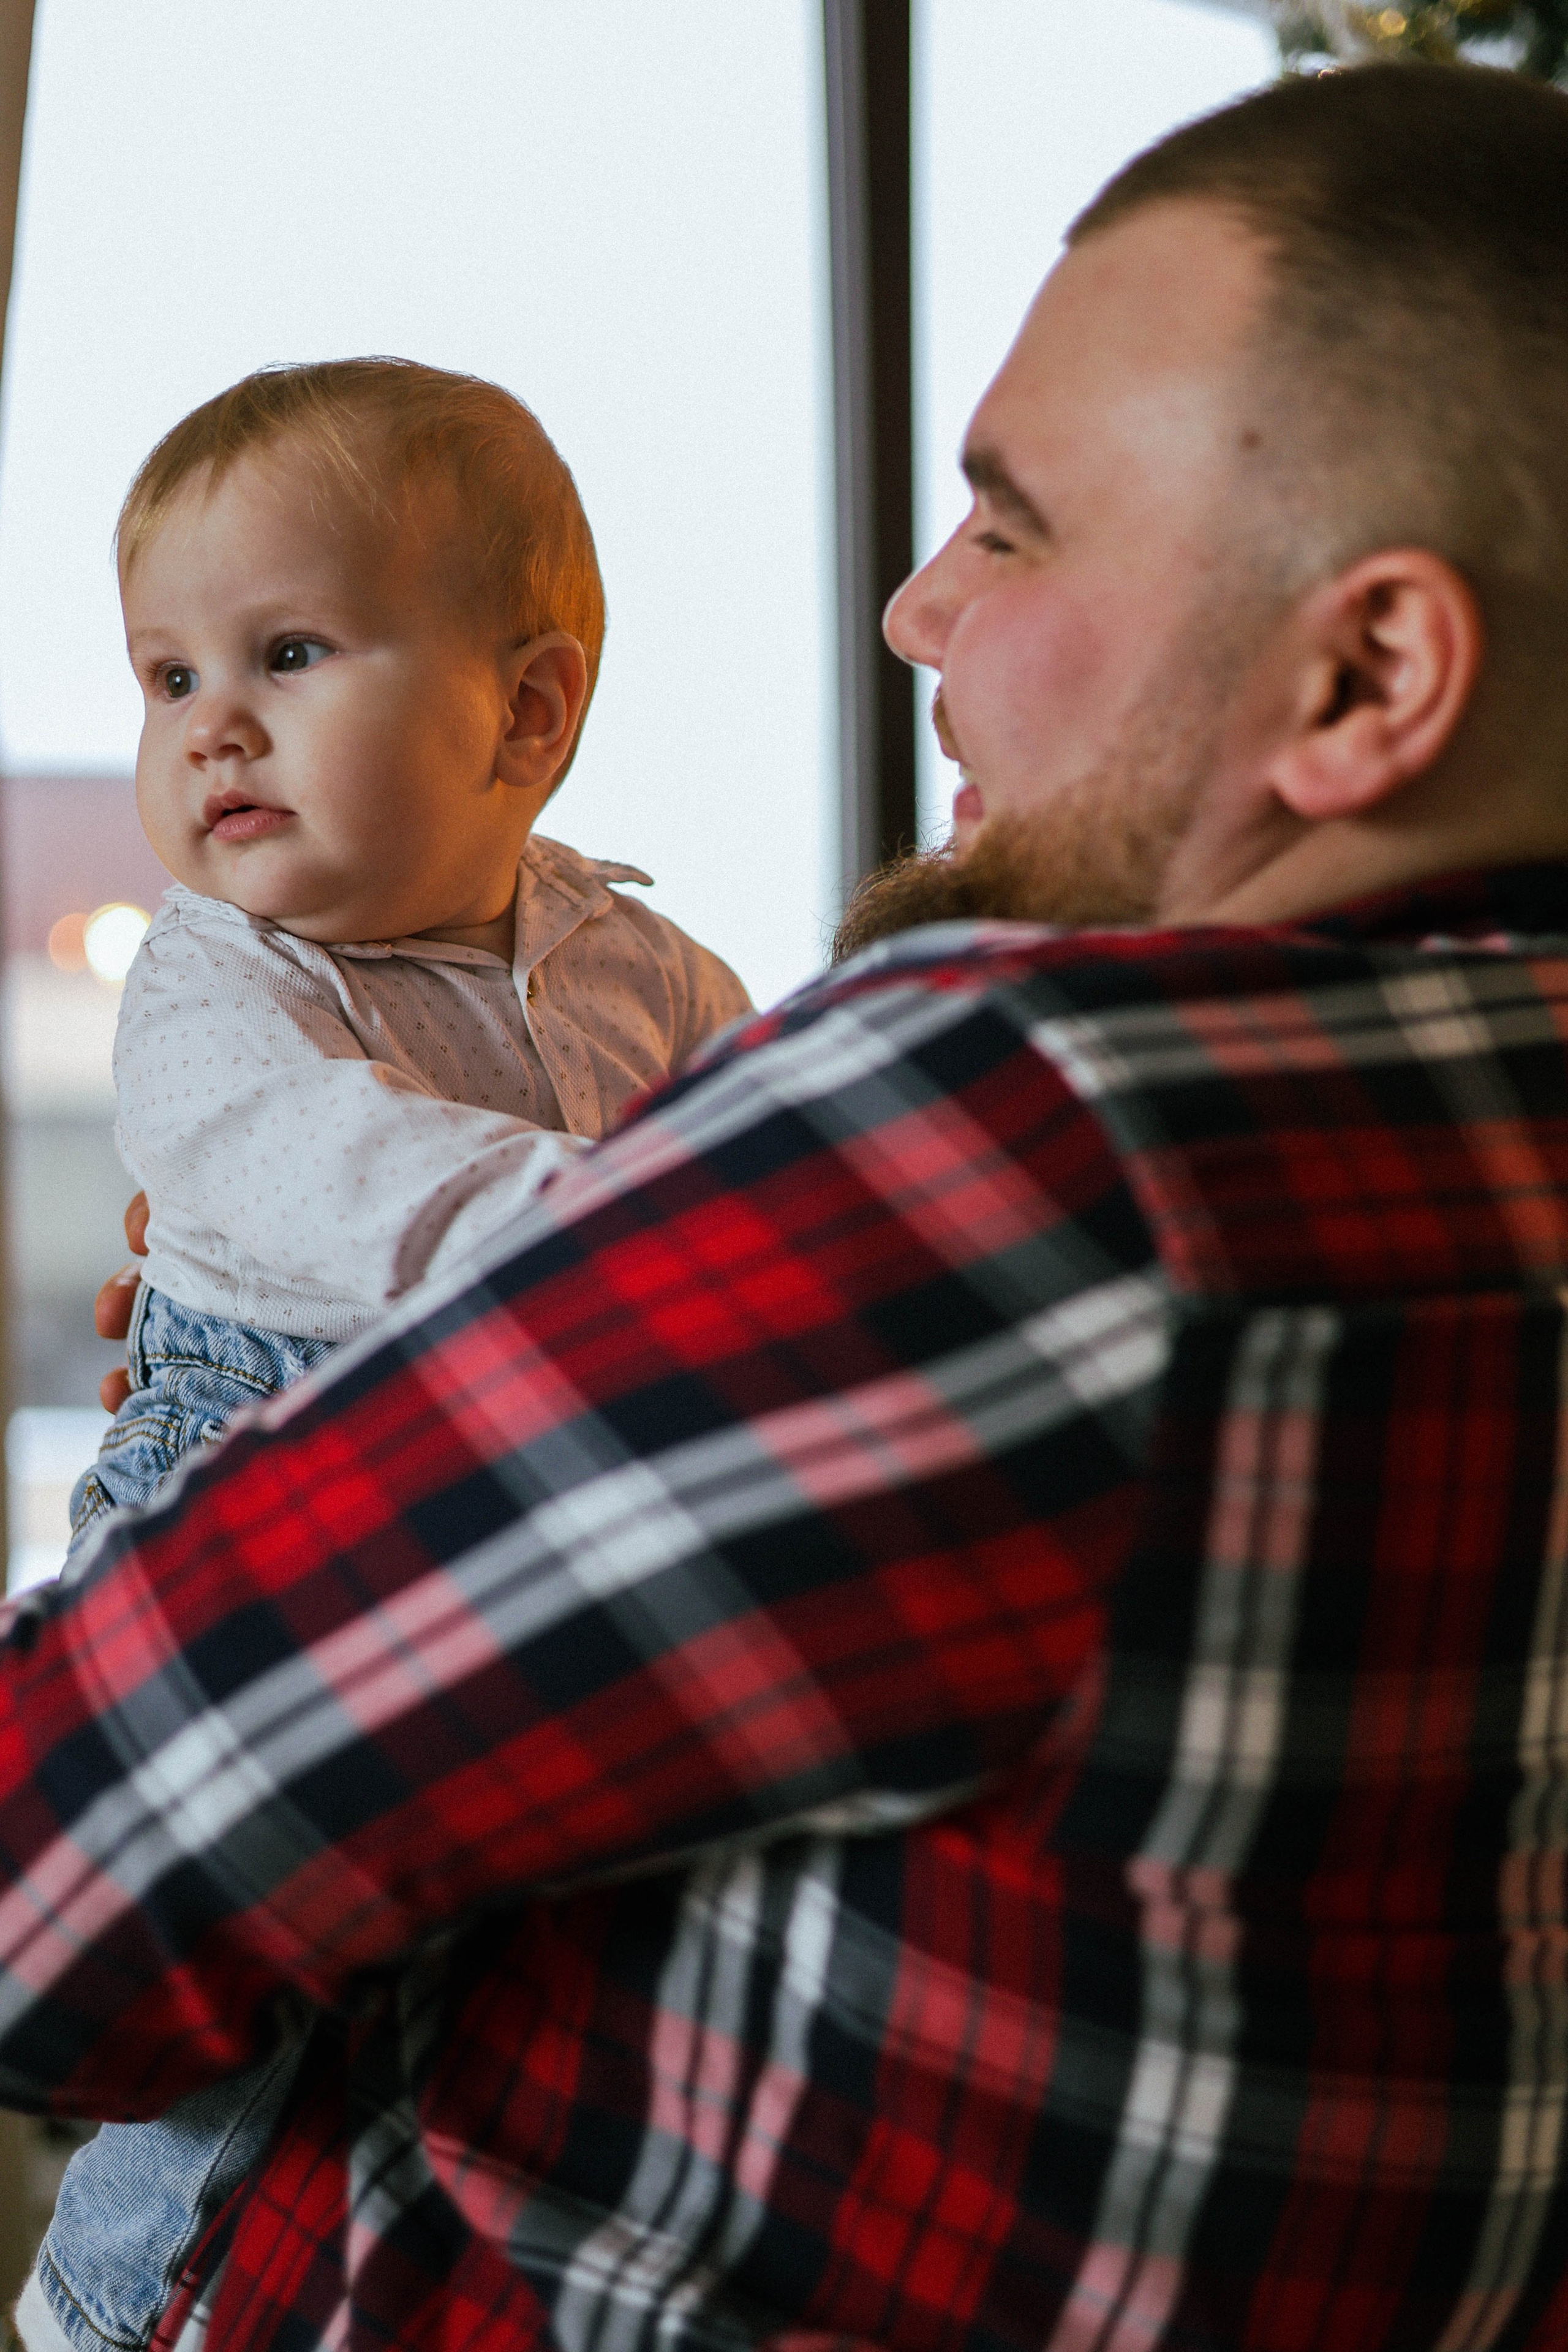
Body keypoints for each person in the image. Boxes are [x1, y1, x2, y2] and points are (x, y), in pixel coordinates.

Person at [6, 56, 1568, 2352]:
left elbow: (59, 1889)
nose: (916, 613)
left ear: (1369, 675)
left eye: (1014, 530)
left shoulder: (1034, 1137)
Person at [20, 362, 748, 2352]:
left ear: (527, 713)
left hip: (512, 1497)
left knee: (500, 1958)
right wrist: (668, 1246)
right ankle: (123, 2302)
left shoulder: (650, 972)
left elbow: (759, 1153)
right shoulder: (214, 979)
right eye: (165, 678)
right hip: (241, 1489)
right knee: (248, 1970)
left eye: (287, 651)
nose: (210, 726)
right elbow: (342, 1181)